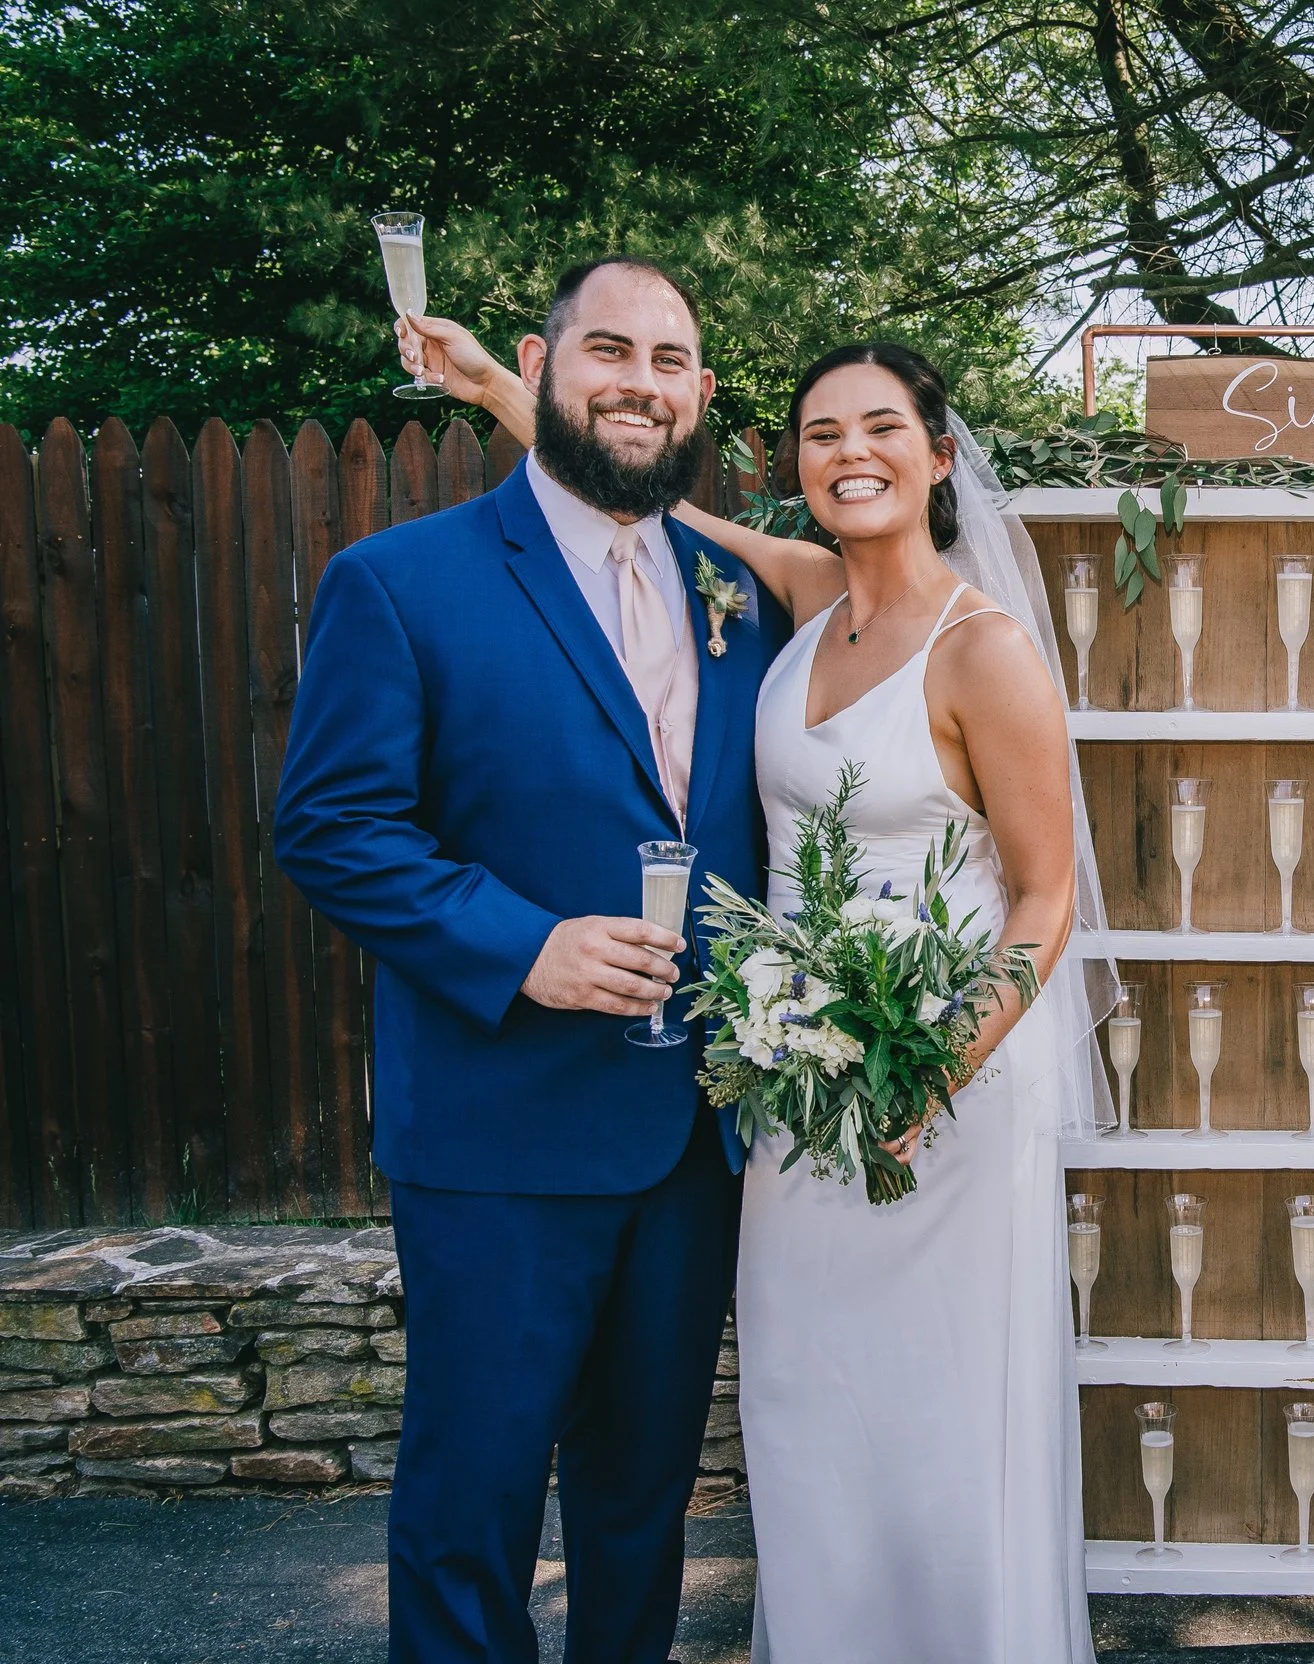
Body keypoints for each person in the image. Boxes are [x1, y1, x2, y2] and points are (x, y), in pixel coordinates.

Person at [403, 316, 1108, 1662]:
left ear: (939, 455)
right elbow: (643, 503)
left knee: (939, 1426)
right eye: (823, 433)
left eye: (881, 429)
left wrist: (936, 1064)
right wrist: (505, 386)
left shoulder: (986, 651)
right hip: (793, 1101)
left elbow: (1045, 898)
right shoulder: (799, 593)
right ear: (794, 462)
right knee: (807, 1412)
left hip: (940, 1105)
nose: (851, 453)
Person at [274, 257, 788, 1664]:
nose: (640, 379)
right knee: (472, 1501)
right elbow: (329, 827)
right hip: (498, 1134)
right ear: (542, 363)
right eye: (608, 349)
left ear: (700, 393)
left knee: (642, 1505)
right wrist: (527, 947)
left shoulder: (740, 594)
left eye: (670, 358)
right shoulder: (401, 582)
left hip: (691, 1139)